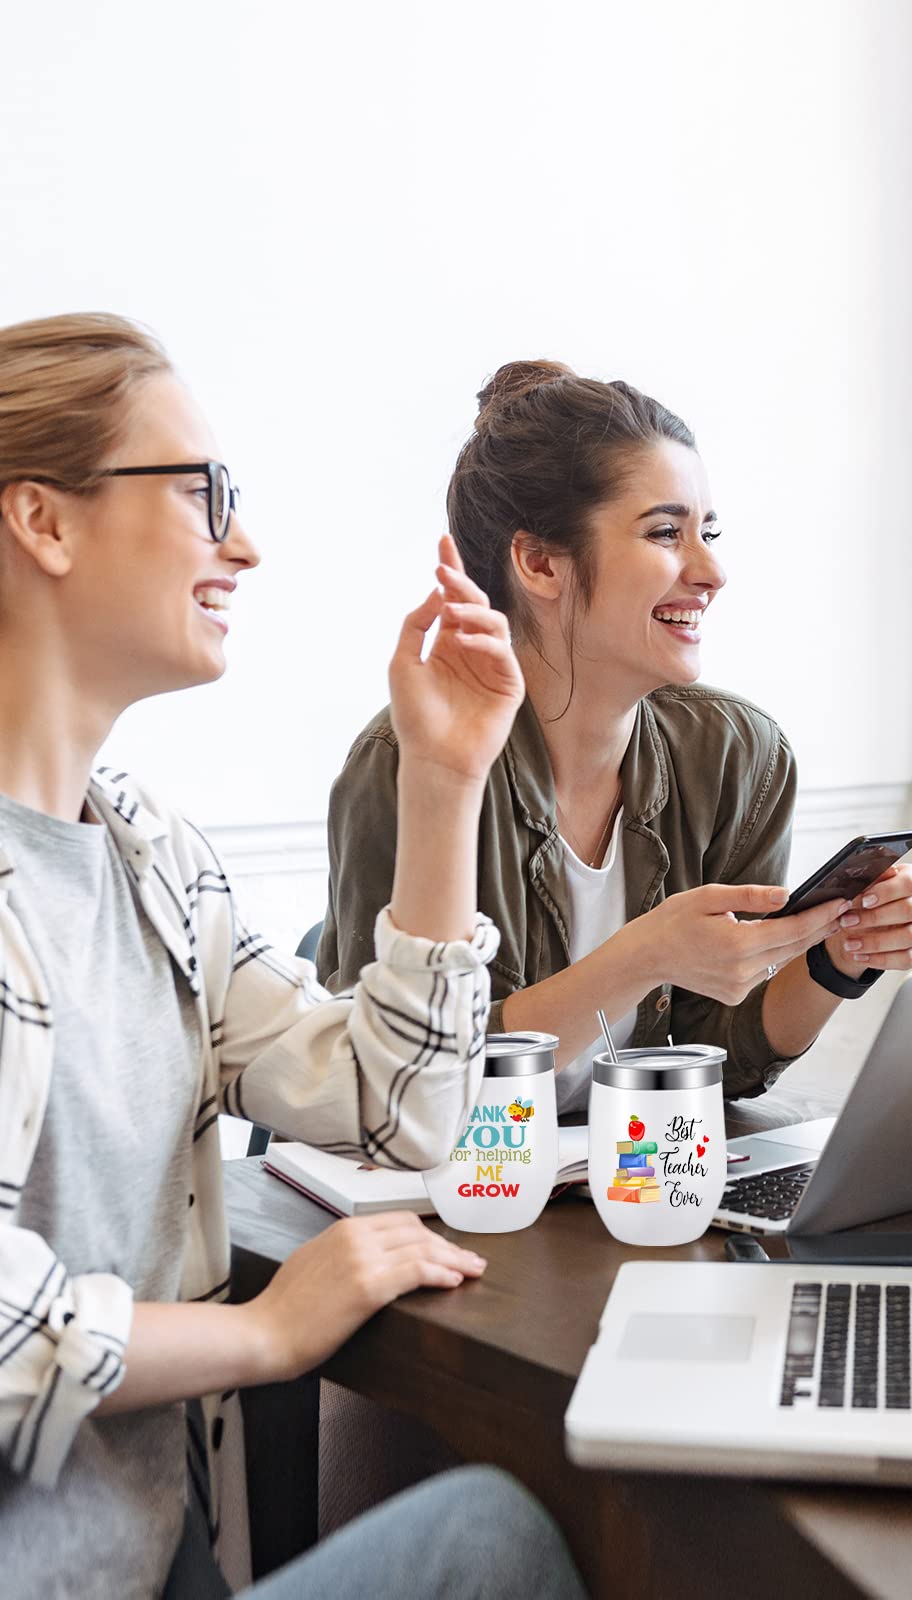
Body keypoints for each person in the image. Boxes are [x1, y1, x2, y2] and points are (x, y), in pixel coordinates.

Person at [0, 314, 582, 1598]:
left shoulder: (150, 854)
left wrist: (443, 787)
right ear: (43, 522)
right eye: (205, 492)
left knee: (495, 1528)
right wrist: (262, 1332)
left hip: (166, 1565)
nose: (244, 542)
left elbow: (402, 1110)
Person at [318, 361, 912, 1111]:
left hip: (626, 1185)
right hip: (450, 1196)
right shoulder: (411, 764)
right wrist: (642, 957)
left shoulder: (740, 756)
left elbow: (723, 1059)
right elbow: (400, 1088)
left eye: (707, 532)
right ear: (540, 561)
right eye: (667, 533)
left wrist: (839, 958)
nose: (711, 571)